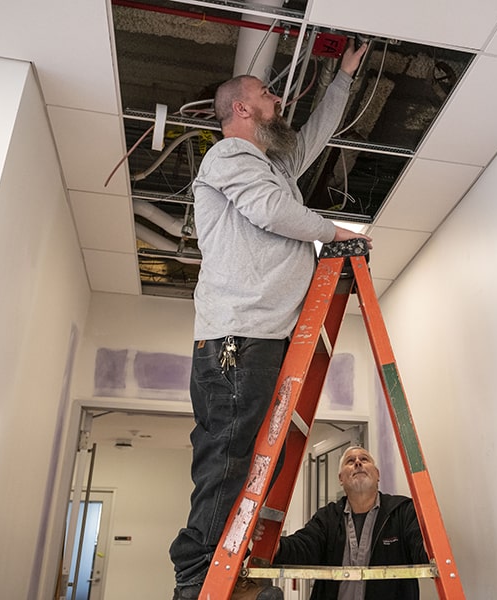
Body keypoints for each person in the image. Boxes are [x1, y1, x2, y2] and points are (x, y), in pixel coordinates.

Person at [169, 40, 372, 600]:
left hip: (263, 335)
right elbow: (271, 212)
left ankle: (231, 570)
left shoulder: (269, 166)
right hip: (239, 336)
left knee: (261, 456)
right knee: (230, 458)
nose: (277, 99)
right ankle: (199, 580)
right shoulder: (229, 158)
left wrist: (344, 77)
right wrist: (338, 233)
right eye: (265, 94)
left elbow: (311, 139)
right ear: (240, 108)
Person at [256, 446, 428, 600]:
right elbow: (304, 546)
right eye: (350, 461)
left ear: (377, 475)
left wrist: (431, 551)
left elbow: (423, 550)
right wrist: (274, 546)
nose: (358, 463)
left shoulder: (402, 511)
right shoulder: (328, 517)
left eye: (364, 459)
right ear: (341, 479)